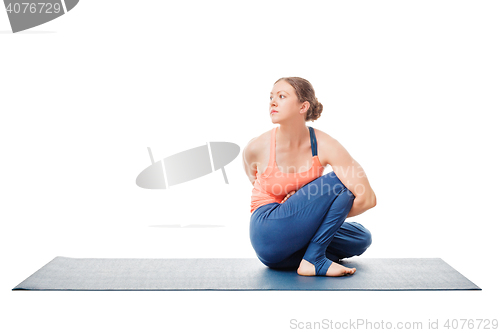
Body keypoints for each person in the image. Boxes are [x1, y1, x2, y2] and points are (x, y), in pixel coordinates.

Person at [242, 77, 376, 277]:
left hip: (288, 251)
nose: (272, 102)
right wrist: (293, 209)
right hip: (268, 230)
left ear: (303, 106)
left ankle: (309, 256)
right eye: (271, 97)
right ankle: (314, 259)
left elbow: (368, 199)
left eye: (281, 96)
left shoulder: (325, 144)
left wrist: (310, 214)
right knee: (340, 183)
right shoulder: (256, 147)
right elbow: (254, 181)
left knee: (361, 237)